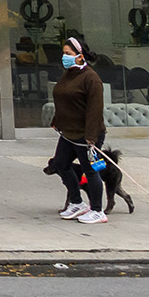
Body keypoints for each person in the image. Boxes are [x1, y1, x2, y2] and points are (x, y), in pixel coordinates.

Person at [48, 35, 109, 224]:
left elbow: (95, 110)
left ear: (80, 56)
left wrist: (91, 138)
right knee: (60, 164)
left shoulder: (91, 79)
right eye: (63, 53)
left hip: (87, 134)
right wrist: (56, 120)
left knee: (90, 171)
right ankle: (77, 202)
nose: (64, 57)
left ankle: (98, 210)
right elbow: (63, 99)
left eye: (68, 54)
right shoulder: (68, 75)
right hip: (68, 132)